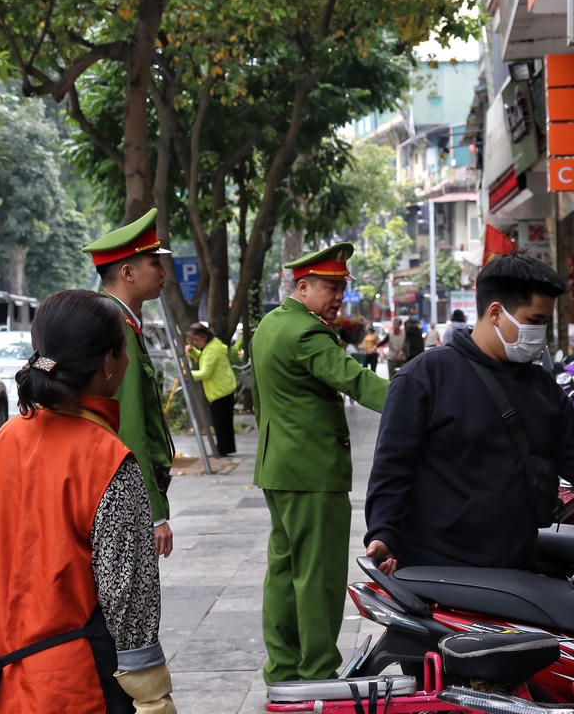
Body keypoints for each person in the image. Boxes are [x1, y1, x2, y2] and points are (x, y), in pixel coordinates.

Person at [363, 253, 574, 573]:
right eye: (534, 321)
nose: (539, 334)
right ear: (497, 312)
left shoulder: (541, 388)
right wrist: (383, 533)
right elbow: (393, 467)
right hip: (439, 570)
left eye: (545, 322)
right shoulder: (425, 377)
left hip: (516, 567)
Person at [0, 290, 175, 714]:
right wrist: (153, 696)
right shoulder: (108, 460)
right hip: (72, 690)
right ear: (109, 363)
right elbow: (131, 601)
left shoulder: (3, 441)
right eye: (125, 348)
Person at [251, 242, 390, 684]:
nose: (337, 298)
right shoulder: (307, 333)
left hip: (279, 468)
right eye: (330, 288)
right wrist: (419, 401)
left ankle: (283, 669)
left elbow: (261, 403)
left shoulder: (270, 325)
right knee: (319, 578)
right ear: (302, 285)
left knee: (284, 572)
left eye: (341, 289)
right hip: (312, 471)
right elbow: (355, 381)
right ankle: (317, 671)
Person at [82, 208, 177, 558]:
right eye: (155, 263)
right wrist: (154, 514)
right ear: (127, 272)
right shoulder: (116, 327)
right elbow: (131, 426)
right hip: (123, 495)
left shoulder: (118, 320)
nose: (163, 272)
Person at [185, 322, 238, 457]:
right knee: (223, 422)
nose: (195, 343)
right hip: (222, 389)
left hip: (220, 390)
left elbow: (205, 373)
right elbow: (203, 358)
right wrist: (193, 352)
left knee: (220, 423)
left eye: (196, 340)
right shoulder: (211, 346)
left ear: (204, 337)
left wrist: (187, 373)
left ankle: (222, 449)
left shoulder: (212, 350)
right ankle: (225, 448)